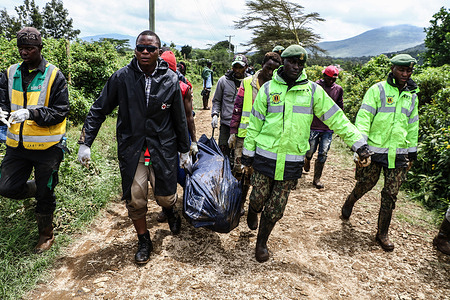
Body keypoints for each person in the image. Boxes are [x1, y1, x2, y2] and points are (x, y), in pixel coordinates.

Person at [241, 45, 369, 262]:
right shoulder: (268, 89)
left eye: (301, 64)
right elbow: (254, 124)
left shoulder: (313, 91)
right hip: (265, 157)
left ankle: (261, 243)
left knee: (276, 208)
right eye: (293, 62)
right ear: (284, 62)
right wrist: (247, 155)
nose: (297, 67)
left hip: (291, 161)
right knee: (258, 197)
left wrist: (359, 144)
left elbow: (336, 118)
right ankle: (253, 209)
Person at [77, 30, 190, 264]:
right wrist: (85, 142)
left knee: (165, 196)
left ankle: (170, 211)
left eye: (151, 48)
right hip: (134, 149)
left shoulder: (170, 79)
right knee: (136, 198)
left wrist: (185, 149)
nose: (145, 52)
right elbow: (99, 109)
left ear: (159, 51)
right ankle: (144, 240)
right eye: (141, 47)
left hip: (162, 148)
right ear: (135, 50)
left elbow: (179, 118)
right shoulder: (122, 78)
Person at [0, 27, 70, 253]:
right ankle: (36, 188)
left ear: (40, 48)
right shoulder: (10, 73)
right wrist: (0, 111)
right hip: (17, 146)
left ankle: (46, 234)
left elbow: (60, 112)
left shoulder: (54, 75)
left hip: (47, 146)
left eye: (29, 48)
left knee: (46, 192)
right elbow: (2, 99)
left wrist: (33, 113)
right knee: (6, 187)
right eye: (21, 48)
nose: (24, 52)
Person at [341, 54, 419, 252]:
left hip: (398, 154)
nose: (405, 74)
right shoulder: (378, 90)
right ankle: (350, 201)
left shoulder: (412, 95)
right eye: (402, 70)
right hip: (374, 151)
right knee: (366, 184)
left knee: (390, 194)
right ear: (393, 68)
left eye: (409, 70)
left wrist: (412, 152)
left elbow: (413, 125)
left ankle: (382, 233)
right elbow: (364, 118)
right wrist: (361, 147)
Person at [228, 52, 282, 215]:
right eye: (268, 67)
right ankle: (236, 203)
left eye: (275, 69)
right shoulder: (247, 82)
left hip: (265, 138)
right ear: (262, 65)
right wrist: (232, 130)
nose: (270, 72)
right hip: (244, 135)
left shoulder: (278, 87)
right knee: (239, 170)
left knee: (253, 174)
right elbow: (237, 108)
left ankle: (249, 204)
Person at [157, 50, 198, 223]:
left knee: (183, 170)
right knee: (163, 172)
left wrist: (193, 141)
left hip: (179, 135)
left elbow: (189, 117)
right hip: (161, 137)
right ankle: (168, 208)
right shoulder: (154, 85)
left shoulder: (183, 88)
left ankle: (191, 200)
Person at [303, 65, 344, 189]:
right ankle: (307, 159)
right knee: (310, 150)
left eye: (333, 79)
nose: (331, 81)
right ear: (324, 76)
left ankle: (316, 179)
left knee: (323, 153)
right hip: (314, 125)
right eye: (329, 78)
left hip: (328, 128)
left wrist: (339, 124)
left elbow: (339, 107)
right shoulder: (315, 86)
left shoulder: (338, 89)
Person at [211, 54, 249, 158]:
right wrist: (215, 114)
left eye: (240, 67)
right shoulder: (223, 81)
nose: (237, 70)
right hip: (226, 124)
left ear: (246, 67)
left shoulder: (250, 82)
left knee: (240, 155)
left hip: (243, 126)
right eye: (235, 67)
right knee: (223, 152)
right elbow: (217, 100)